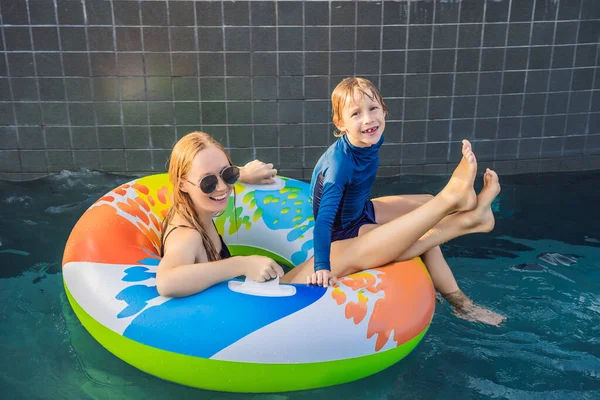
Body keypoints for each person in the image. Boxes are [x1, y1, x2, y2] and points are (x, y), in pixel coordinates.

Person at [156, 131, 503, 326]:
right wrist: (241, 263)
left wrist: (243, 174)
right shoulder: (186, 233)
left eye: (227, 174)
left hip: (244, 294)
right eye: (207, 182)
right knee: (340, 252)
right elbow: (168, 280)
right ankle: (459, 219)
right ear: (182, 184)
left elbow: (217, 177)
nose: (222, 188)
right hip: (236, 317)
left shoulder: (205, 192)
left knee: (361, 242)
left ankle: (466, 227)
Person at [302, 77, 505, 326]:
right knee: (423, 235)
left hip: (360, 211)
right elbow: (323, 221)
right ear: (340, 123)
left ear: (384, 109)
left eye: (373, 108)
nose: (368, 119)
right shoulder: (339, 166)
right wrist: (322, 266)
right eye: (356, 113)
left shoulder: (370, 139)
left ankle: (467, 205)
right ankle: (462, 304)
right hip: (343, 232)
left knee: (427, 203)